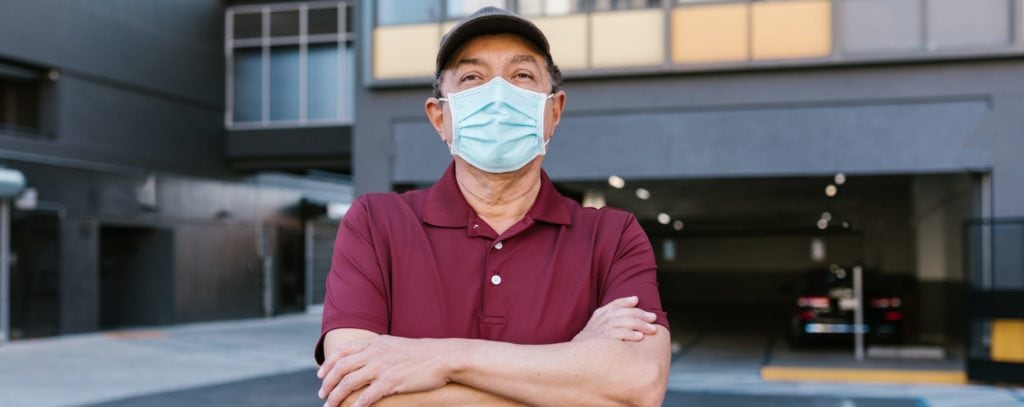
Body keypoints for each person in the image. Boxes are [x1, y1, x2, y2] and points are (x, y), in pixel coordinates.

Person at [315, 7, 670, 406]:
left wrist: (442, 358)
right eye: (472, 78)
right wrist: (575, 371)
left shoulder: (613, 235)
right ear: (439, 117)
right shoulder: (374, 223)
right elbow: (355, 392)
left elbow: (640, 383)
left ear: (554, 111)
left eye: (522, 75)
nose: (499, 94)